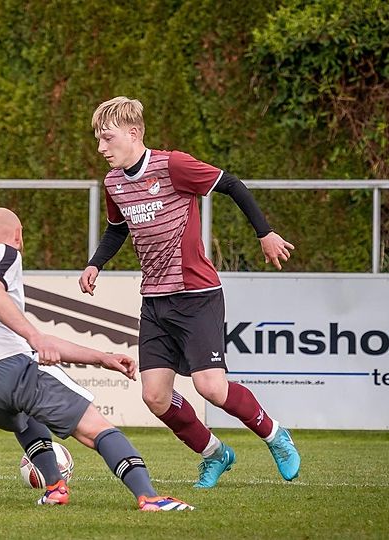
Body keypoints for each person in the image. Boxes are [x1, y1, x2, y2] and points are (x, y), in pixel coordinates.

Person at [79, 96, 301, 488]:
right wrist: (97, 262)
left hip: (197, 294)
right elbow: (118, 229)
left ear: (133, 134)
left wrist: (265, 234)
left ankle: (274, 434)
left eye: (107, 138)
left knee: (210, 387)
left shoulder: (172, 165)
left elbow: (230, 184)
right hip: (155, 299)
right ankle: (215, 454)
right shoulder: (113, 182)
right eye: (98, 139)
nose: (101, 148)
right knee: (155, 397)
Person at [0, 207, 193, 511]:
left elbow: (37, 340)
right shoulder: (2, 252)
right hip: (1, 369)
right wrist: (34, 338)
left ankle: (54, 488)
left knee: (25, 415)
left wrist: (101, 358)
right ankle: (150, 497)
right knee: (96, 427)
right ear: (19, 237)